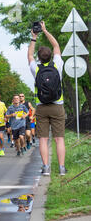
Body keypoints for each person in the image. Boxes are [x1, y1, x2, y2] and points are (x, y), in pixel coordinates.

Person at [28, 21, 66, 176]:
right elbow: (56, 46)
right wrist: (45, 30)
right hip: (58, 105)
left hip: (41, 107)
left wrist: (34, 37)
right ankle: (62, 168)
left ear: (39, 58)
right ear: (51, 56)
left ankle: (45, 168)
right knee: (59, 139)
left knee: (43, 139)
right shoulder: (57, 65)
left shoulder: (36, 69)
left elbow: (29, 55)